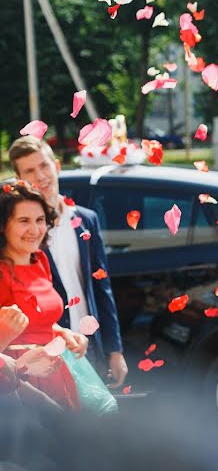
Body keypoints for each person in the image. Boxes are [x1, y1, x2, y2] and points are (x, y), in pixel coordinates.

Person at [9, 136, 127, 388]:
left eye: (44, 166)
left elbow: (101, 288)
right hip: (44, 351)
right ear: (20, 179)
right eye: (29, 171)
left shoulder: (87, 220)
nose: (40, 176)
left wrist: (114, 349)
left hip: (86, 345)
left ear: (57, 166)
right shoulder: (23, 232)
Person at [0, 182, 89, 410]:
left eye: (40, 220)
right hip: (19, 384)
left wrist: (62, 332)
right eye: (23, 221)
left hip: (55, 374)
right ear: (2, 226)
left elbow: (41, 319)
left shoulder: (40, 260)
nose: (35, 230)